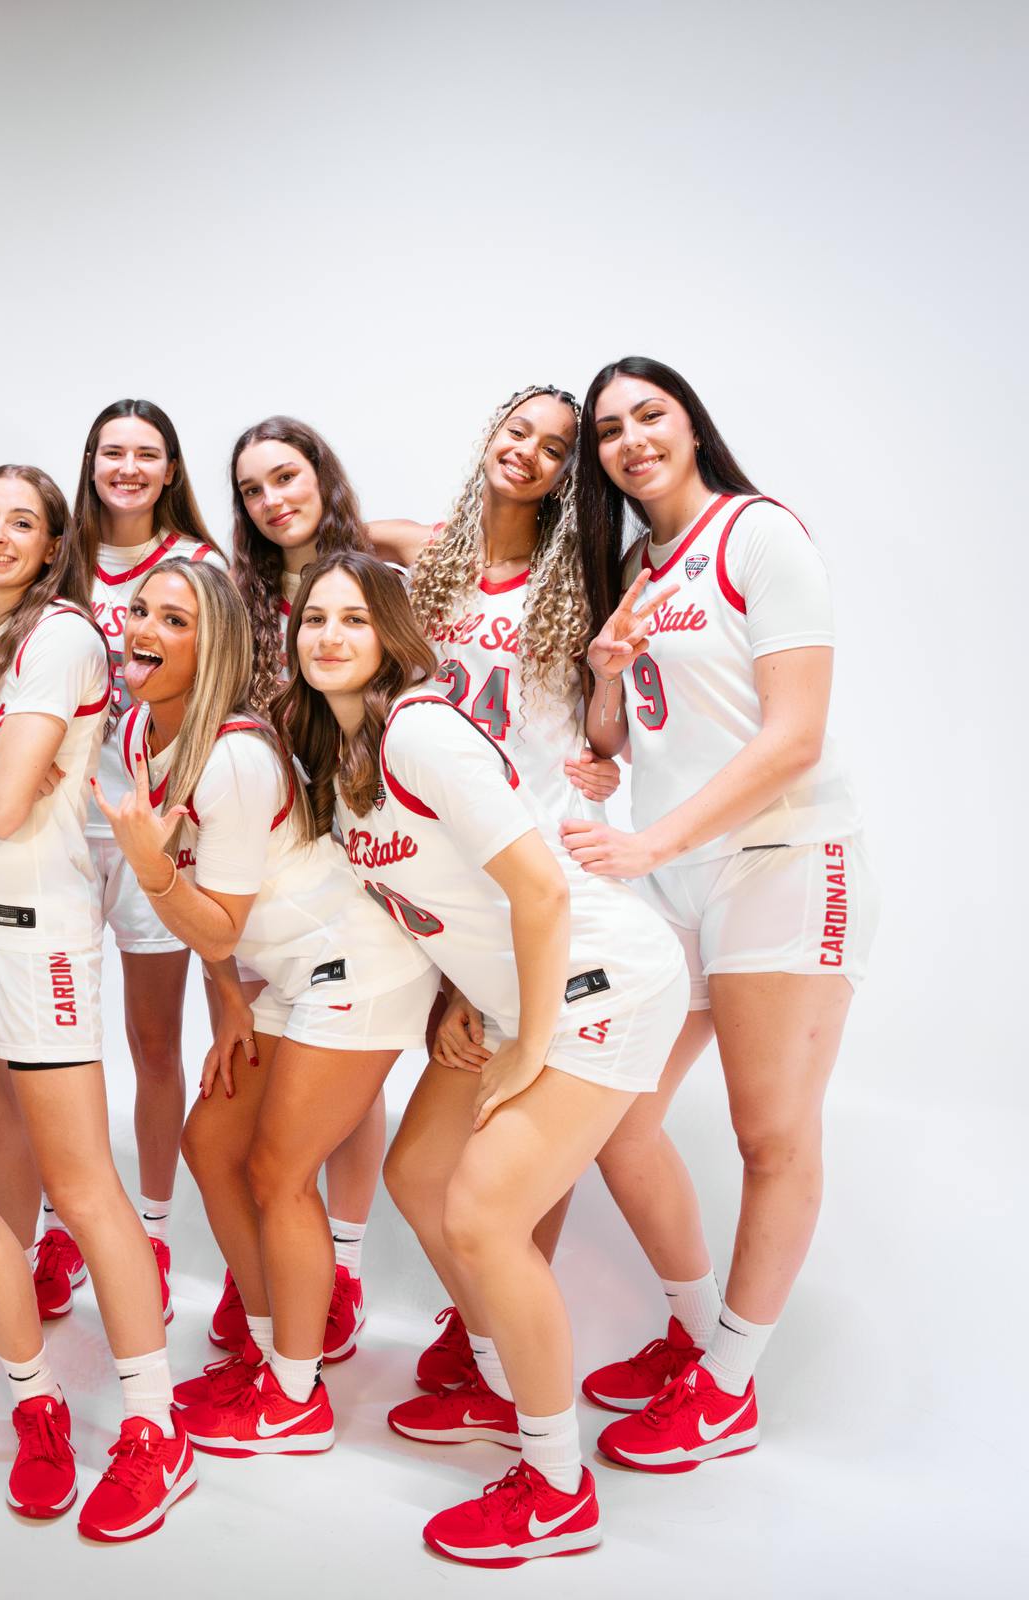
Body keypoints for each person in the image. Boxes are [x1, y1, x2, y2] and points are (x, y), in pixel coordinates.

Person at [291, 550, 688, 1565]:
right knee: (417, 1172)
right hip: (514, 993)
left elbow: (540, 888)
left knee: (480, 1211)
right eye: (312, 619)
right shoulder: (338, 772)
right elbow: (451, 903)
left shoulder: (417, 730)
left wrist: (532, 1036)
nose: (329, 635)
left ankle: (557, 1486)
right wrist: (469, 999)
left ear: (391, 635)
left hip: (602, 978)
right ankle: (497, 1379)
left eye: (353, 618)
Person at [561, 356, 878, 1470]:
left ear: (691, 422)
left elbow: (790, 735)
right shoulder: (639, 562)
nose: (631, 438)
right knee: (612, 1116)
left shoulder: (758, 534)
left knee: (767, 1131)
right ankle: (695, 1338)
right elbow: (618, 737)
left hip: (781, 861)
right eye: (608, 428)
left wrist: (649, 840)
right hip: (677, 871)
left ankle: (729, 1382)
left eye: (649, 414)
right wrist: (602, 681)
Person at [95, 558, 435, 1459]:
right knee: (212, 1144)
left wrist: (150, 868)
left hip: (358, 967)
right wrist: (230, 1006)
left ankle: (295, 1394)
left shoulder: (236, 757)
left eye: (176, 621)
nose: (146, 630)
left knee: (281, 1173)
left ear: (213, 652)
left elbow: (211, 916)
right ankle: (269, 1338)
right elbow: (215, 926)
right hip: (290, 974)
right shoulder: (138, 736)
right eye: (141, 611)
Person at [0, 464, 194, 1541]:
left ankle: (153, 1428)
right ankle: (24, 1366)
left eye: (19, 522)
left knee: (84, 1185)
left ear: (50, 543)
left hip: (41, 935)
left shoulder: (63, 635)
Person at [367, 385, 623, 1392]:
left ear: (569, 476)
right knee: (457, 1124)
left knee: (511, 1119)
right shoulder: (422, 552)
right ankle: (490, 1328)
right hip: (442, 854)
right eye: (516, 431)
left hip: (531, 862)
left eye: (554, 447)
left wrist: (605, 736)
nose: (527, 452)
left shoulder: (577, 579)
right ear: (489, 437)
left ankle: (505, 1322)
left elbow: (602, 730)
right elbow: (296, 522)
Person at [208, 416, 430, 1358]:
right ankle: (269, 1266)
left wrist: (387, 538)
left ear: (321, 475)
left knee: (349, 1074)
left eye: (286, 477)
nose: (273, 501)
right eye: (254, 489)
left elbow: (457, 551)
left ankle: (339, 1263)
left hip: (367, 849)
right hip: (276, 855)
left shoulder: (369, 565)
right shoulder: (245, 594)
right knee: (276, 1056)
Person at [69, 399, 222, 1320]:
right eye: (111, 451)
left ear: (170, 471)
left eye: (147, 454)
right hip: (56, 822)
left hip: (155, 820)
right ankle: (58, 1226)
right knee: (43, 1038)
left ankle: (153, 1237)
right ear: (91, 463)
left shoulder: (200, 569)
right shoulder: (58, 559)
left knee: (153, 1042)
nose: (127, 466)